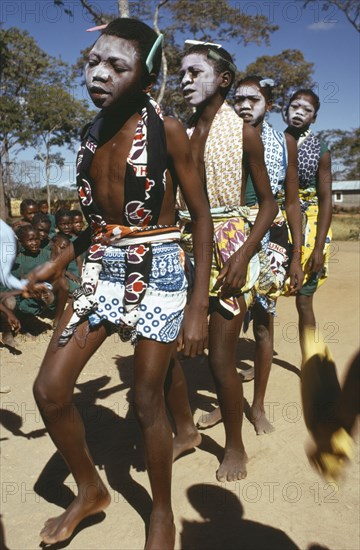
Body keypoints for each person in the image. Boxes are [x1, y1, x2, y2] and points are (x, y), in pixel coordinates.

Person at [26, 18, 212, 548]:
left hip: (160, 272)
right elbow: (101, 222)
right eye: (93, 62)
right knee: (50, 390)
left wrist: (196, 307)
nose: (98, 74)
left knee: (146, 398)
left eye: (116, 65)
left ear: (146, 79)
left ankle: (160, 512)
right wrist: (57, 261)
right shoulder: (88, 135)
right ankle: (90, 491)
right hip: (103, 273)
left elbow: (199, 215)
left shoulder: (167, 130)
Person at [176, 42, 277, 481]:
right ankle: (183, 429)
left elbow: (270, 205)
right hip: (182, 245)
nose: (185, 80)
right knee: (165, 350)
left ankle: (235, 445)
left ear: (223, 79)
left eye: (195, 72)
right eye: (181, 74)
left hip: (230, 247)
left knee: (219, 357)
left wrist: (244, 252)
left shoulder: (243, 132)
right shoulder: (181, 130)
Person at [200, 76, 303, 435]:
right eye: (239, 99)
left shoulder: (283, 142)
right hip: (227, 238)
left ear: (268, 105)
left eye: (253, 99)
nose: (245, 105)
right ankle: (225, 404)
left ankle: (256, 406)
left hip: (269, 239)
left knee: (262, 323)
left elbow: (290, 201)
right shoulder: (219, 136)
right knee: (222, 327)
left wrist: (297, 257)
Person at [284, 89, 332, 352]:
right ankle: (261, 358)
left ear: (314, 118)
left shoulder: (320, 150)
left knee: (304, 301)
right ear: (286, 109)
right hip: (279, 221)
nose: (299, 112)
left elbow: (326, 200)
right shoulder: (272, 142)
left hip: (311, 226)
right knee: (263, 301)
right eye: (295, 106)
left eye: (307, 110)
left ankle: (311, 362)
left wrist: (318, 247)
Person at [12, 225, 67, 329]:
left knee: (63, 282)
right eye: (30, 240)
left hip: (47, 294)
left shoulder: (47, 255)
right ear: (21, 242)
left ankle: (58, 319)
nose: (35, 243)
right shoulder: (19, 260)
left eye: (37, 239)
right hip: (29, 300)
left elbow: (57, 275)